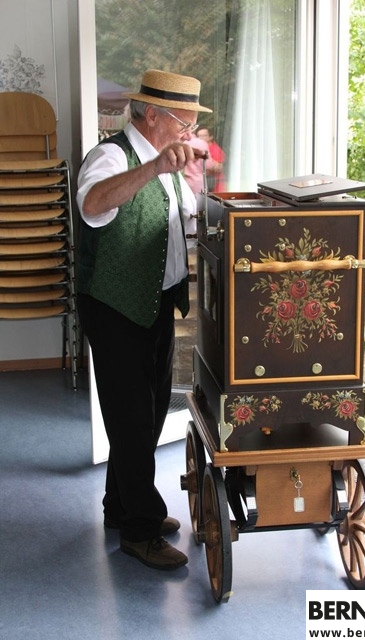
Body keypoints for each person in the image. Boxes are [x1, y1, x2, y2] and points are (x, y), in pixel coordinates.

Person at [76, 69, 212, 571]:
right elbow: (92, 203)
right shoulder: (112, 156)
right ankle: (141, 530)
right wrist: (154, 168)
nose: (188, 133)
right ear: (152, 114)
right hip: (114, 305)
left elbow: (180, 220)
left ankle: (119, 506)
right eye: (183, 122)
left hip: (154, 302)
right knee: (133, 419)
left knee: (149, 412)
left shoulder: (168, 161)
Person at [197, 127, 226, 191]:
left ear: (211, 137)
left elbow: (218, 168)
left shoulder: (215, 150)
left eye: (204, 136)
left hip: (213, 183)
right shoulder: (201, 149)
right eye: (199, 136)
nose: (200, 138)